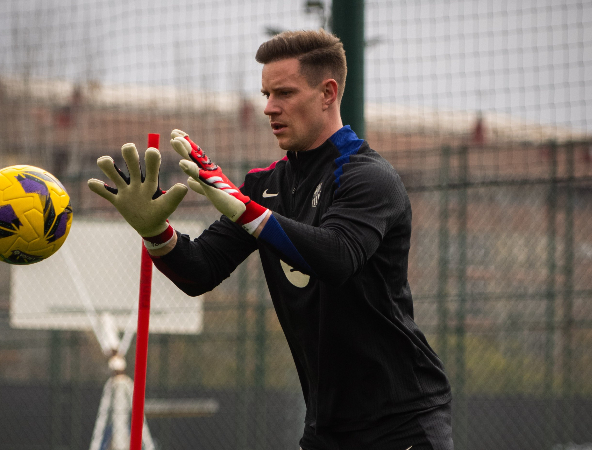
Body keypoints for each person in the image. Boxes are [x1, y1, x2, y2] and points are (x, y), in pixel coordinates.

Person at [88, 29, 453, 450]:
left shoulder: (369, 178)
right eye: (266, 94)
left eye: (284, 93)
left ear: (328, 93)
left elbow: (337, 257)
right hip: (326, 429)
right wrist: (155, 231)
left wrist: (246, 210)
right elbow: (200, 271)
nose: (269, 108)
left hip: (403, 422)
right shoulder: (264, 187)